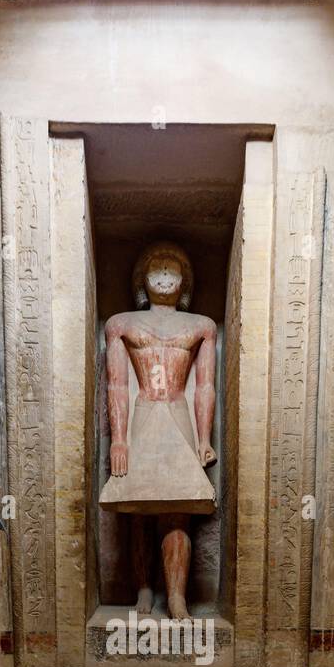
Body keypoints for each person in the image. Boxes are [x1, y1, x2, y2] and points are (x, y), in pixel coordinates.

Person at [100, 242, 216, 621]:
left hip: (179, 412)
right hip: (143, 412)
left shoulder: (201, 326)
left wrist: (203, 440)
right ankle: (145, 588)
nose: (164, 276)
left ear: (184, 280)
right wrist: (118, 440)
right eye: (156, 270)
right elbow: (116, 385)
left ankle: (178, 598)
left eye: (172, 270)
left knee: (178, 509)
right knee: (138, 510)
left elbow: (204, 387)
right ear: (142, 279)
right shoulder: (122, 324)